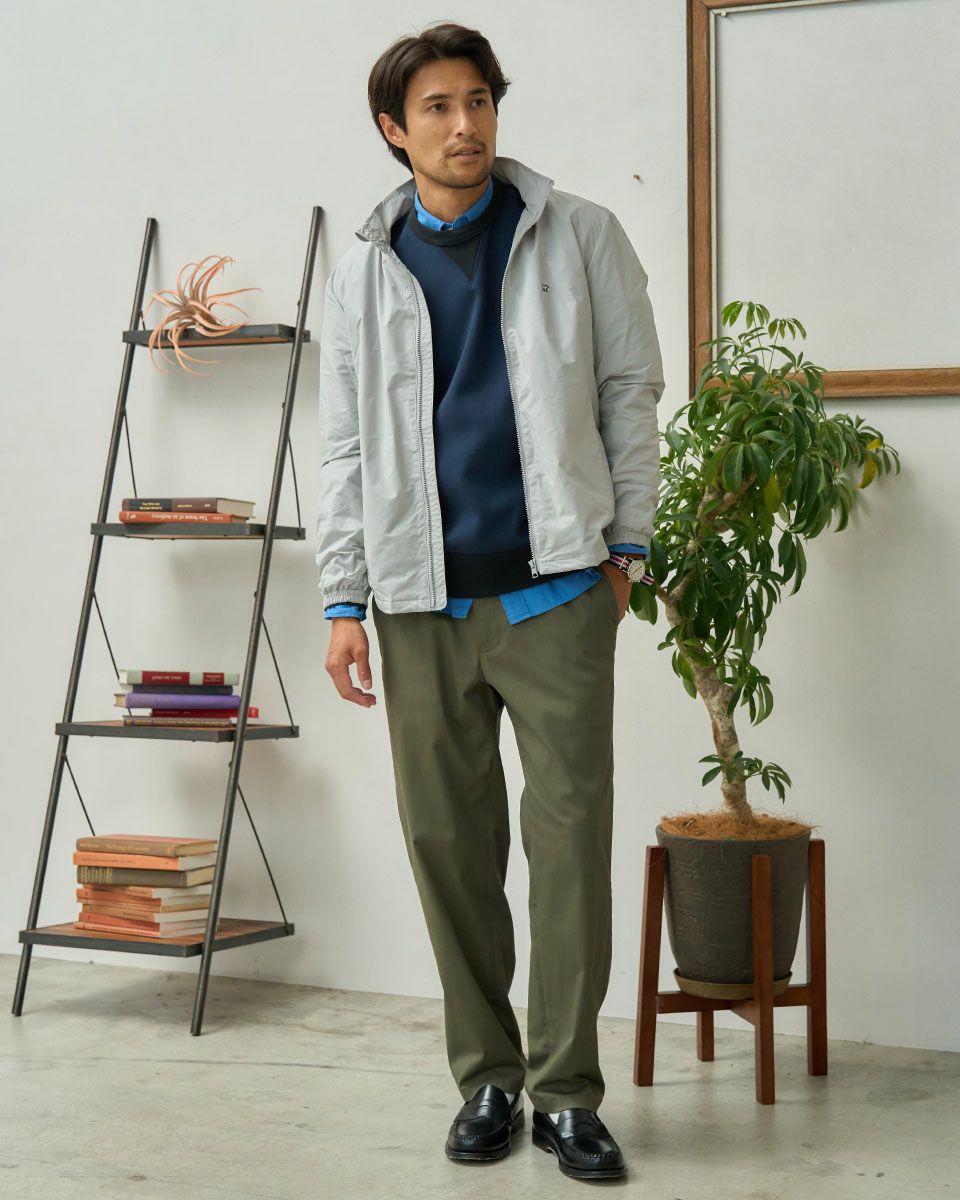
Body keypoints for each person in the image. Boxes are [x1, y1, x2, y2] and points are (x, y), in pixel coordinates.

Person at [316, 20, 664, 1183]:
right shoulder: (364, 270)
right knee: (447, 852)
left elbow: (631, 392)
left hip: (559, 592)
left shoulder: (581, 234)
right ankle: (488, 1080)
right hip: (419, 604)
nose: (464, 125)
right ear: (393, 129)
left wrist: (626, 554)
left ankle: (567, 1095)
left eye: (479, 101)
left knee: (570, 851)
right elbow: (345, 447)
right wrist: (341, 600)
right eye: (437, 108)